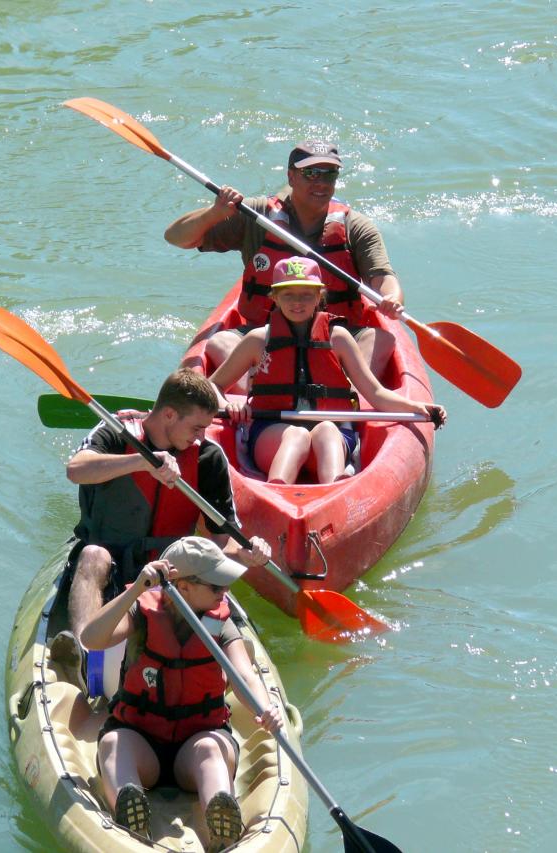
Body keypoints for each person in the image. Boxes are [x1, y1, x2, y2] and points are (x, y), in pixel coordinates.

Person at [50, 368, 270, 692]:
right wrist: (140, 463)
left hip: (170, 573)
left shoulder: (208, 458)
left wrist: (248, 554)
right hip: (108, 566)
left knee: (206, 578)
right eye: (196, 427)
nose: (200, 437)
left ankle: (221, 669)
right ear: (169, 414)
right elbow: (76, 470)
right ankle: (87, 657)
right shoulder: (116, 432)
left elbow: (217, 546)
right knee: (92, 555)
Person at [81, 536, 284, 848]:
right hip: (142, 739)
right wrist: (136, 589)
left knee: (212, 750)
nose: (224, 591)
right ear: (183, 586)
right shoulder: (142, 613)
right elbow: (91, 639)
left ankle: (221, 814)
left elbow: (244, 674)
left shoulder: (223, 623)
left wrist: (265, 708)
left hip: (197, 742)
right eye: (216, 586)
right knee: (112, 742)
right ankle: (130, 808)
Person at [165, 140, 406, 381]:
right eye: (310, 173)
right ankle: (255, 397)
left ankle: (347, 397)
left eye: (329, 174)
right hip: (266, 335)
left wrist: (391, 298)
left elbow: (382, 277)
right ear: (291, 177)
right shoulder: (257, 215)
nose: (321, 183)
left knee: (380, 339)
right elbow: (176, 237)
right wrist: (214, 213)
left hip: (334, 336)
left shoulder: (355, 225)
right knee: (221, 342)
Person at [209, 257, 446, 486]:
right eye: (288, 295)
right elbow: (213, 385)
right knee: (297, 436)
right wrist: (228, 405)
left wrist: (418, 408)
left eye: (306, 295)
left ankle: (335, 489)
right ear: (275, 298)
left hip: (331, 431)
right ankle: (278, 490)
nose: (297, 302)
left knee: (326, 430)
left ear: (319, 297)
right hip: (271, 432)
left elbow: (375, 393)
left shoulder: (338, 338)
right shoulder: (258, 340)